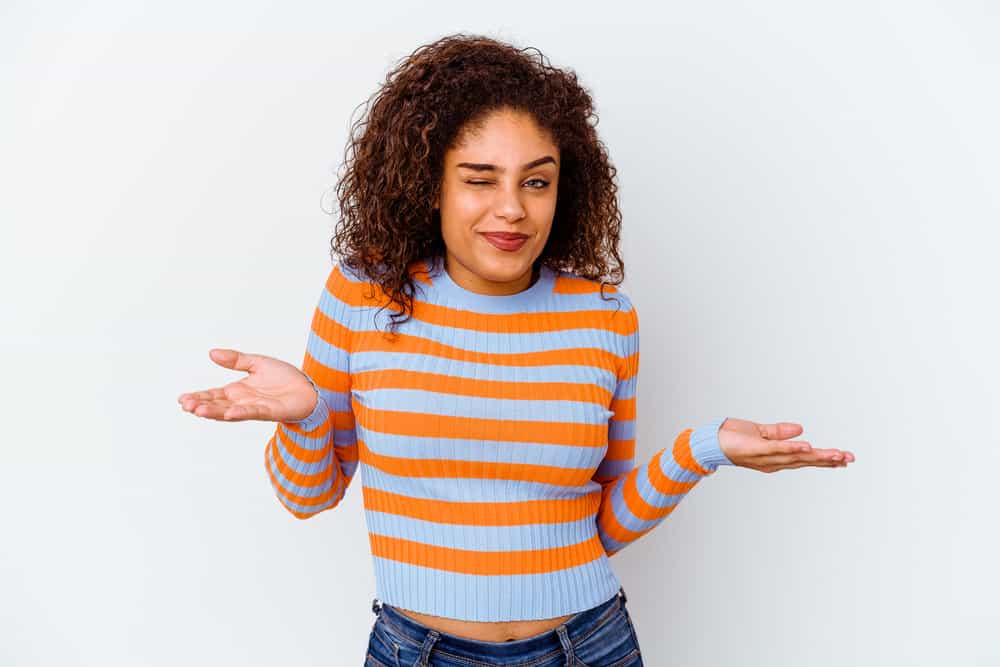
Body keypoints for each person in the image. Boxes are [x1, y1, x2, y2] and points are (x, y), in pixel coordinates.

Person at [178, 33, 854, 667]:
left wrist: (700, 448)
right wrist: (303, 415)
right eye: (479, 178)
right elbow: (308, 495)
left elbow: (603, 522)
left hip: (589, 641)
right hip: (418, 648)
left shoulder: (603, 317)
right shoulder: (365, 294)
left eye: (536, 180)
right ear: (430, 183)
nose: (512, 209)